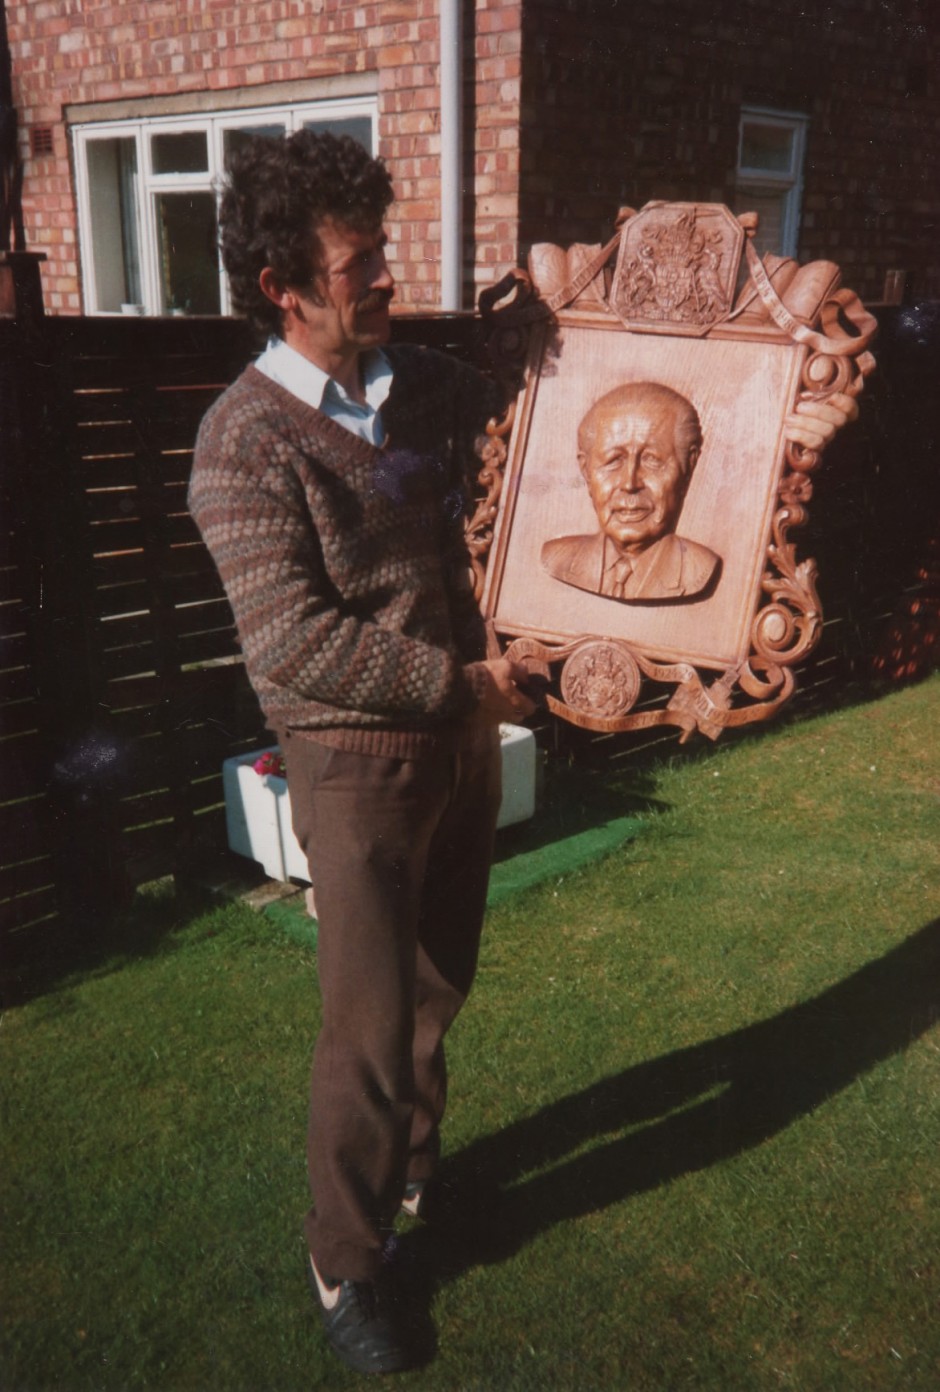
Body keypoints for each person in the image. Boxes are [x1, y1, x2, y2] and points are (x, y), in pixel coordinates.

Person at [188, 129, 535, 1375]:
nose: (386, 275)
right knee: (370, 1029)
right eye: (358, 261)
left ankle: (411, 1189)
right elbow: (292, 645)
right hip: (356, 769)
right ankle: (344, 1258)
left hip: (459, 747)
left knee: (439, 991)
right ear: (285, 286)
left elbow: (534, 392)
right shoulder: (243, 442)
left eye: (382, 250)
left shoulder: (420, 388)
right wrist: (457, 683)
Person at [541, 380, 720, 602]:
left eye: (651, 460)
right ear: (586, 471)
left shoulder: (698, 570)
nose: (630, 483)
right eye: (614, 461)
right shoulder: (558, 559)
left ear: (687, 467)